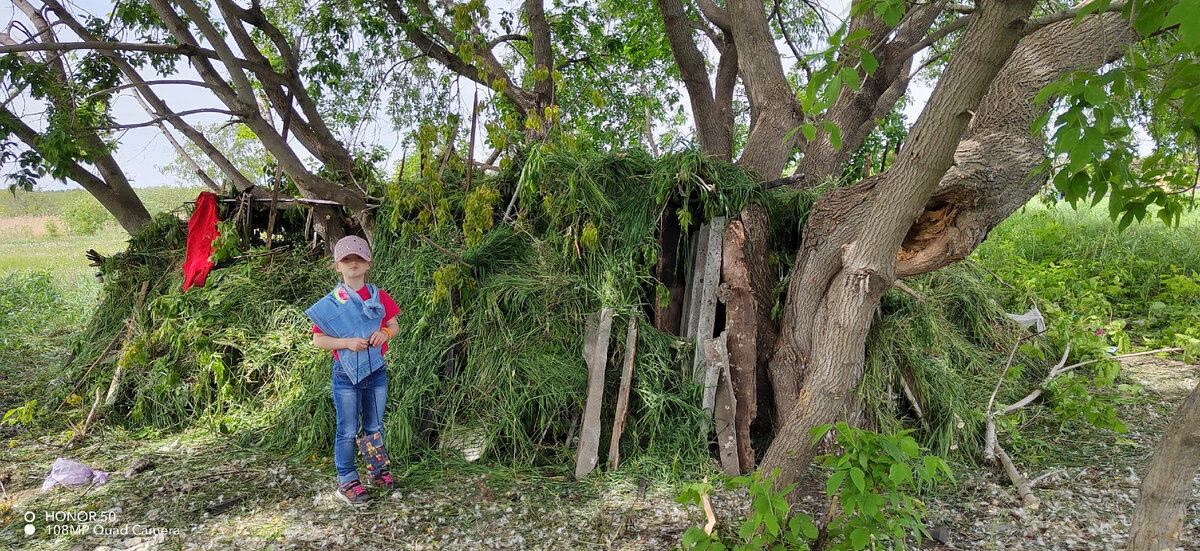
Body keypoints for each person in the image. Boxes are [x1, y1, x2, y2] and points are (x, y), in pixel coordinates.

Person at [307, 235, 401, 506]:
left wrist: (384, 333)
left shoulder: (379, 295)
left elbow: (394, 326)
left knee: (374, 425)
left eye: (358, 257)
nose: (353, 263)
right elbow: (318, 340)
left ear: (368, 263)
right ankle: (347, 480)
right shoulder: (332, 303)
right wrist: (347, 342)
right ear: (337, 266)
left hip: (376, 371)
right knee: (347, 429)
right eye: (346, 259)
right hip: (345, 374)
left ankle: (377, 471)